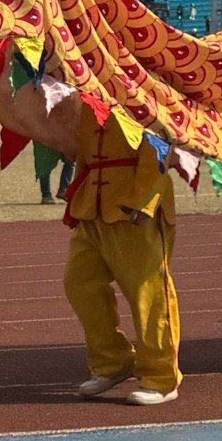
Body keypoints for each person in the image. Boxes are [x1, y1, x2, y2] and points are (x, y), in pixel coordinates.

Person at [62, 102, 181, 405]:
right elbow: (85, 155)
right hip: (92, 208)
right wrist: (76, 198)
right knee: (78, 283)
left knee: (147, 292)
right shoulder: (86, 104)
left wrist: (144, 199)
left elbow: (160, 147)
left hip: (133, 210)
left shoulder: (143, 97)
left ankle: (161, 377)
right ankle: (112, 361)